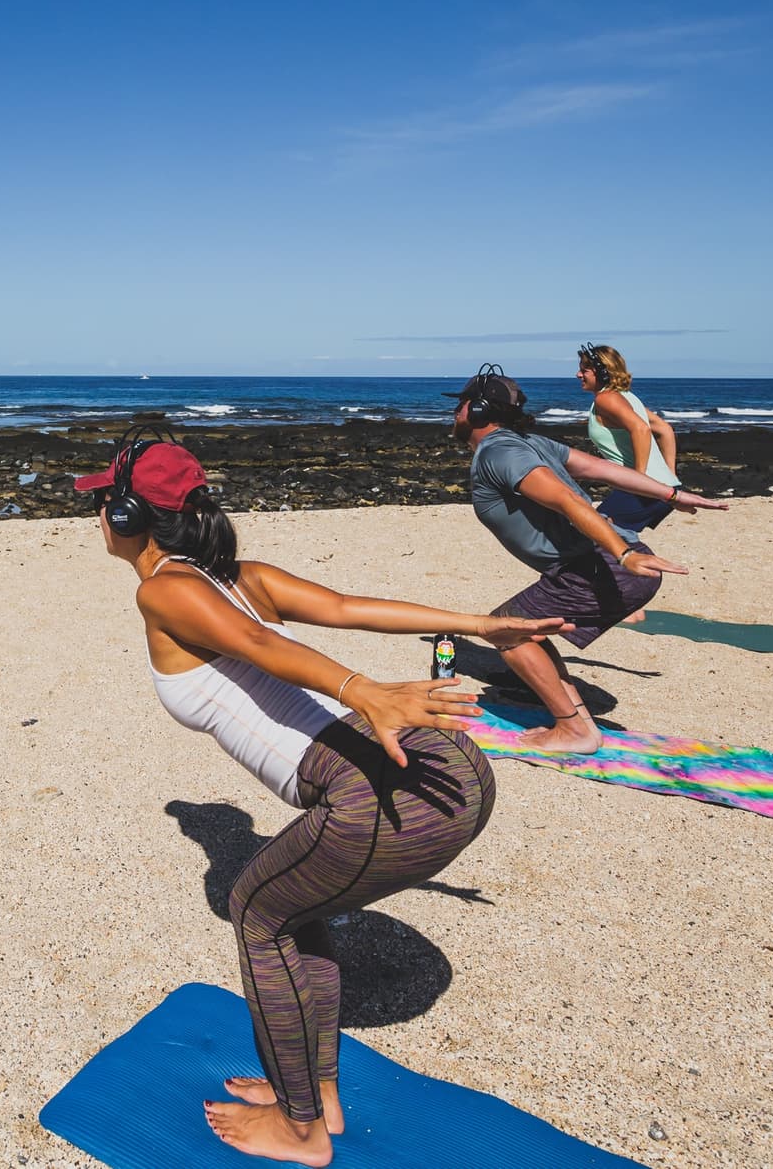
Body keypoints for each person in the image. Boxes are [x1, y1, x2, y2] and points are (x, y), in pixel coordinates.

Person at [78, 430, 571, 1165]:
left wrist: (364, 689)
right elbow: (345, 606)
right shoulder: (238, 576)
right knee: (292, 906)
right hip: (444, 770)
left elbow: (264, 647)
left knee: (255, 911)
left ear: (125, 516)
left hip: (380, 790)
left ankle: (304, 1133)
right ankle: (317, 1096)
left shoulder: (167, 589)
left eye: (101, 505)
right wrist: (477, 625)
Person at [445, 365, 725, 757]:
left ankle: (574, 729)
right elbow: (602, 469)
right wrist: (672, 496)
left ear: (477, 411)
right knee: (523, 625)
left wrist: (623, 554)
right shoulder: (531, 442)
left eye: (461, 404)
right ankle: (572, 713)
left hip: (606, 565)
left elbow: (568, 500)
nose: (454, 412)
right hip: (606, 562)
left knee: (503, 631)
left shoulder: (501, 451)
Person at [578, 342, 683, 533]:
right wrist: (671, 477)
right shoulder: (627, 397)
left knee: (590, 536)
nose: (578, 375)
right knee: (614, 544)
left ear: (602, 372)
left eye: (584, 370)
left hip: (644, 490)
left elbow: (641, 429)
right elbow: (664, 429)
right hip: (662, 488)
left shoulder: (606, 399)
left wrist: (639, 479)